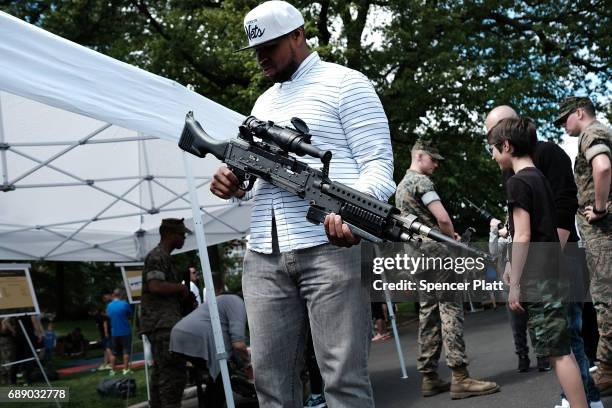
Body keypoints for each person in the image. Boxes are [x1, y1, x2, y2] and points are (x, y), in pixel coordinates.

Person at [210, 2, 396, 406]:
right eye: (255, 50)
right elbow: (256, 175)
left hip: (332, 246)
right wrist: (233, 182)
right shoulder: (262, 104)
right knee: (270, 386)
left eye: (271, 47)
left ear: (298, 35)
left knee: (343, 381)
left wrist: (355, 214)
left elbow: (378, 164)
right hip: (263, 253)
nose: (261, 57)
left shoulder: (347, 83)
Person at [487, 105, 602, 407]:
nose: (492, 156)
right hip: (557, 273)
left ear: (507, 146)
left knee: (560, 353)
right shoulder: (539, 177)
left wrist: (514, 284)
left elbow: (523, 235)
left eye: (493, 149)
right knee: (566, 349)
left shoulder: (517, 182)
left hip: (541, 280)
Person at [395, 138, 500, 399]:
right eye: (433, 159)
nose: (437, 165)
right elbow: (442, 217)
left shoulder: (400, 187)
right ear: (419, 156)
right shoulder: (422, 182)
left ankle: (429, 377)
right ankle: (460, 377)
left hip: (416, 256)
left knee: (428, 313)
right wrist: (450, 236)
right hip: (436, 253)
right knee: (450, 309)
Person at [555, 96, 611, 397]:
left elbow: (601, 167)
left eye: (565, 119)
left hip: (604, 233)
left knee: (606, 302)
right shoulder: (601, 131)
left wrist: (600, 208)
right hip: (602, 234)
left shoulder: (592, 133)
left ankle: (608, 369)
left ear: (580, 113)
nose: (563, 125)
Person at [170, 272, 249, 408]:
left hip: (178, 334)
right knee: (223, 375)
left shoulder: (223, 300)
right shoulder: (239, 303)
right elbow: (238, 344)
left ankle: (209, 403)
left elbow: (230, 345)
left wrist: (239, 362)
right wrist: (248, 362)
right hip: (194, 337)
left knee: (219, 376)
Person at [141, 218, 191, 408]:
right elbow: (155, 286)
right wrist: (181, 288)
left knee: (161, 373)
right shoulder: (157, 256)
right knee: (173, 375)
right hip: (162, 325)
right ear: (170, 234)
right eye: (181, 234)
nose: (184, 238)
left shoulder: (164, 257)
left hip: (162, 324)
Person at [106, 288, 133, 376]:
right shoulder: (125, 304)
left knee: (114, 352)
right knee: (126, 351)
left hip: (114, 332)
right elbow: (130, 315)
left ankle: (112, 370)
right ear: (121, 295)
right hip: (125, 331)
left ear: (114, 295)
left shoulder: (109, 305)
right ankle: (125, 369)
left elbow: (109, 316)